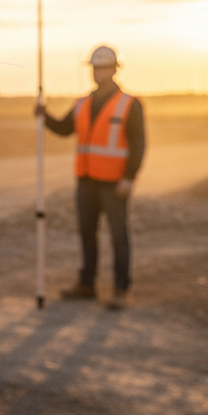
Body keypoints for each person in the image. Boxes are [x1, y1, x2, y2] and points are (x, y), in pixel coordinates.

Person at [37, 45, 146, 309]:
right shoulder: (82, 103)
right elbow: (65, 129)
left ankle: (121, 289)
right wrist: (44, 116)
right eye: (95, 68)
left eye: (104, 67)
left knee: (119, 234)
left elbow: (139, 143)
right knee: (87, 233)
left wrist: (129, 177)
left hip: (114, 182)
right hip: (86, 180)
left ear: (115, 70)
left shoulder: (130, 104)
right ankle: (87, 284)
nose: (99, 73)